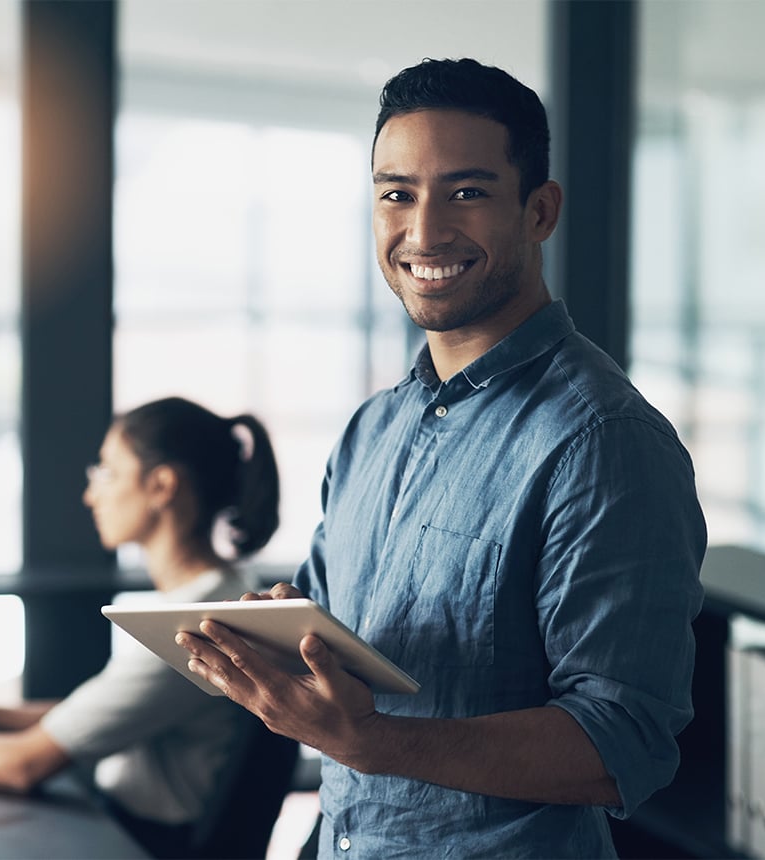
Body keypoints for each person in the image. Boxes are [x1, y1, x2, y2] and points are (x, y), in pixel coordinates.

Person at [175, 58, 707, 859]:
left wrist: (372, 741)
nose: (423, 234)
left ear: (539, 211)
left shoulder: (605, 440)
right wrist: (278, 643)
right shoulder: (373, 429)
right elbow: (342, 642)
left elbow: (622, 740)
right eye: (397, 195)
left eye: (466, 193)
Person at [0, 396, 288, 859]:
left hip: (142, 843)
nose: (90, 495)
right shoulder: (222, 590)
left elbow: (22, 764)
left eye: (107, 472)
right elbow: (84, 715)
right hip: (125, 828)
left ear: (162, 485)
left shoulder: (195, 621)